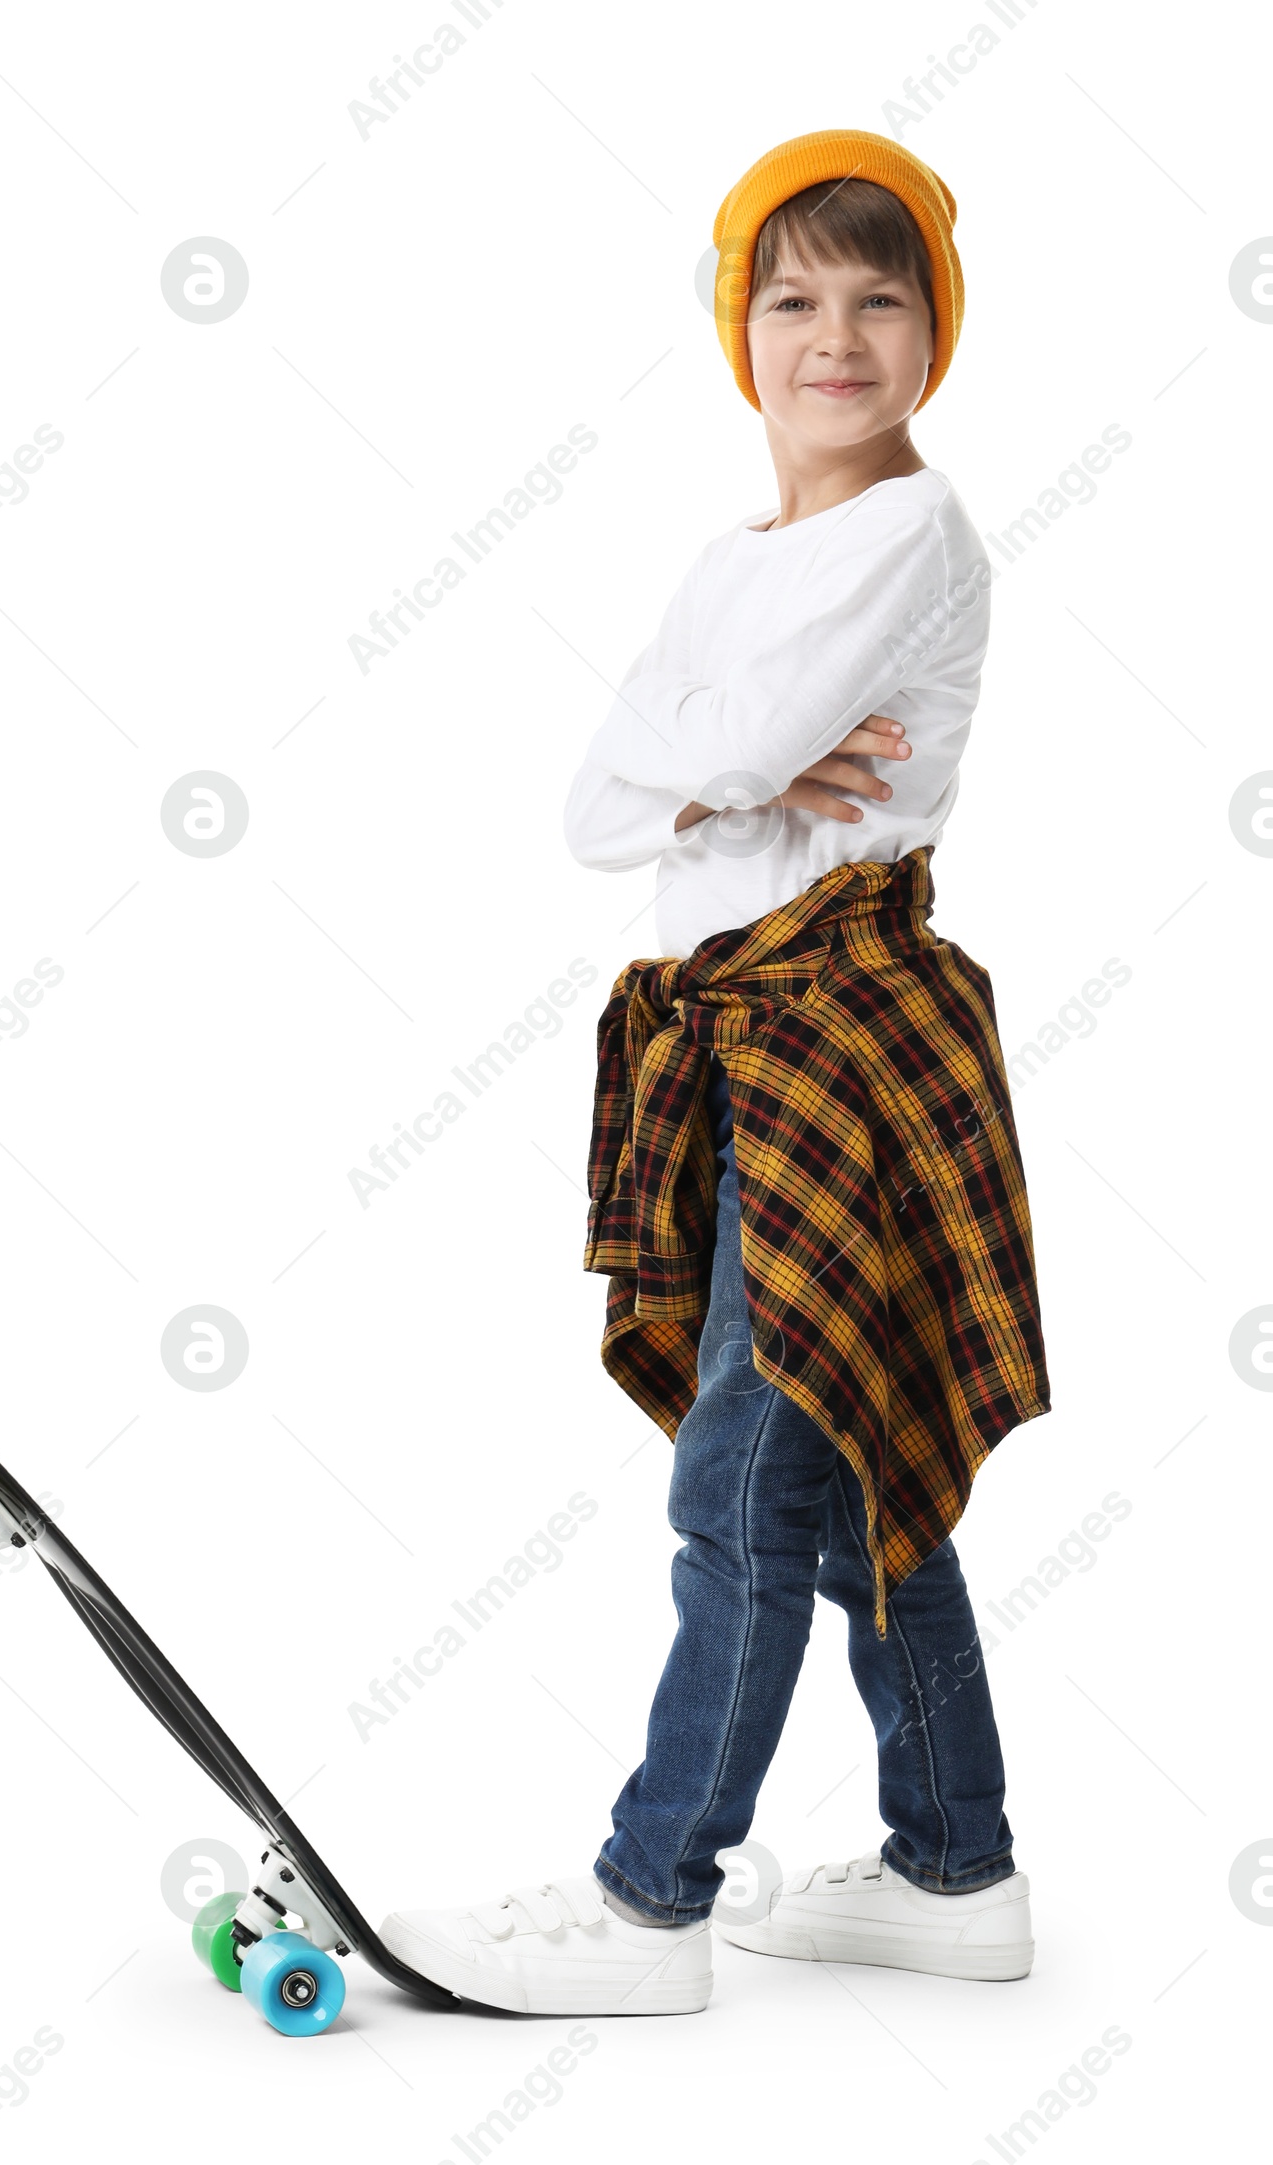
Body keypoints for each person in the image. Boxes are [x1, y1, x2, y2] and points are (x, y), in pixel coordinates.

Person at [379, 129, 1050, 2017]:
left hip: (835, 1043)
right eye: (792, 297)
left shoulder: (914, 529)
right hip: (746, 1044)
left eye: (877, 296)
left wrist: (712, 745)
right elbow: (600, 807)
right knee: (837, 1485)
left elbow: (729, 741)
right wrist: (714, 755)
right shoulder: (735, 551)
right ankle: (953, 1866)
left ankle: (648, 1899)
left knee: (739, 1492)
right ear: (739, 331)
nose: (833, 336)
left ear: (936, 330)